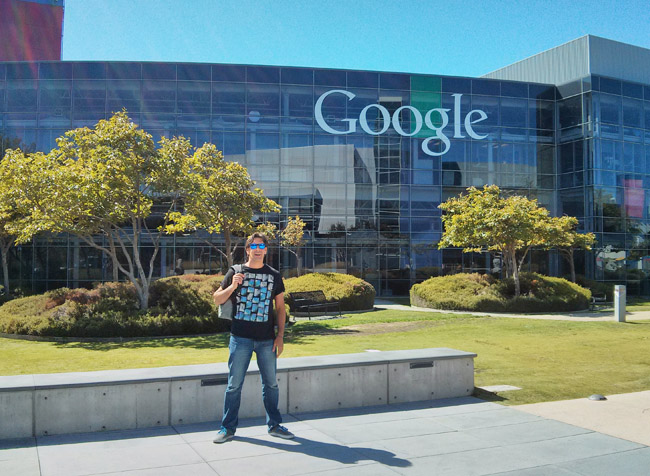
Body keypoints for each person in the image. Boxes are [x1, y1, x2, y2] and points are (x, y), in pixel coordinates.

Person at [211, 232, 294, 443]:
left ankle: (274, 425)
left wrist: (280, 336)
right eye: (253, 246)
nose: (257, 249)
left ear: (266, 250)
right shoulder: (235, 271)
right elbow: (216, 299)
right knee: (234, 385)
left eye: (261, 246)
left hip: (267, 340)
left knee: (271, 385)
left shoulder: (274, 275)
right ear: (247, 250)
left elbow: (281, 309)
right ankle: (227, 429)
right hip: (240, 339)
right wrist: (232, 286)